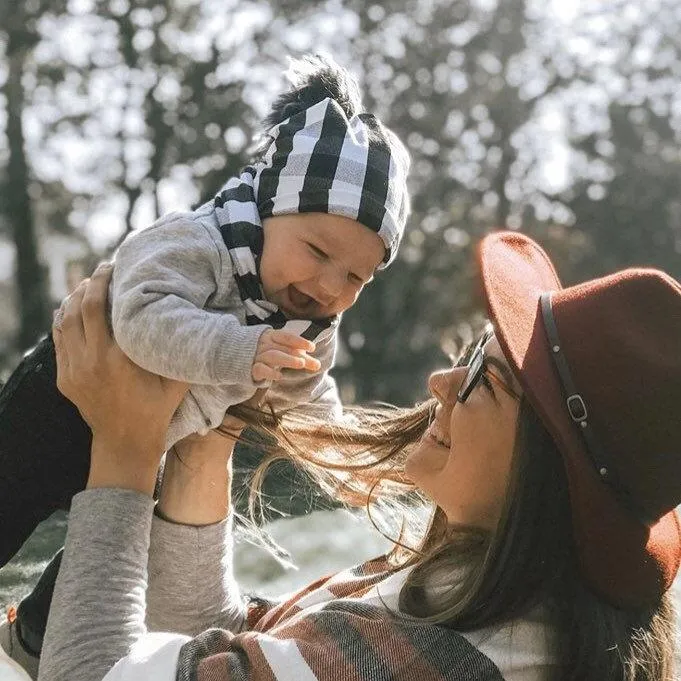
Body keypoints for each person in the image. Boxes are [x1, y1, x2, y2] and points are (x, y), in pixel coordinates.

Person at [11, 229, 681, 680]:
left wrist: (123, 448)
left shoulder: (439, 657)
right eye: (470, 351)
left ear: (549, 471)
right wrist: (206, 438)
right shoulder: (482, 595)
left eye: (487, 376)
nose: (441, 381)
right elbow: (234, 651)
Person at [0, 53, 410, 581]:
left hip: (151, 441)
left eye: (356, 278)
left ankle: (35, 628)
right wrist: (239, 350)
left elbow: (306, 393)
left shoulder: (310, 320)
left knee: (127, 553)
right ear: (270, 210)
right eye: (317, 251)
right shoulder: (198, 240)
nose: (331, 285)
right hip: (61, 403)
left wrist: (340, 456)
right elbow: (140, 318)